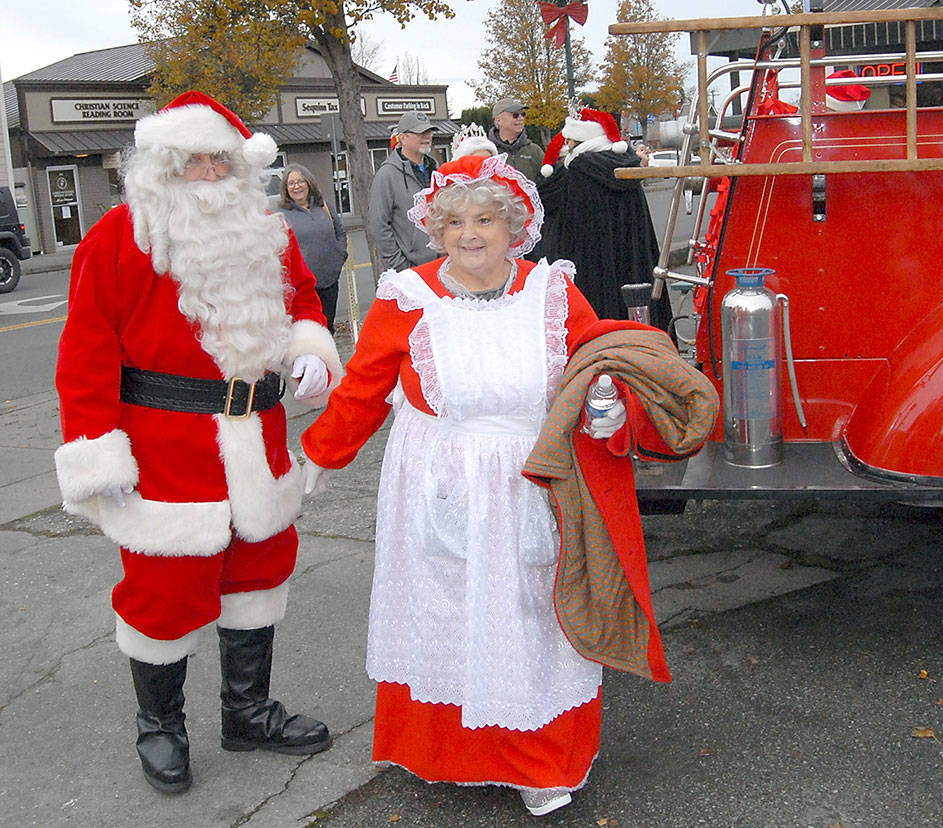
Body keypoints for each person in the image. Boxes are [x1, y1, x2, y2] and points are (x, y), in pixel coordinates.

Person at [298, 154, 715, 817]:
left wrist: (611, 404)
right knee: (447, 615)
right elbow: (363, 390)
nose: (470, 234)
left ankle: (541, 762)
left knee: (532, 620)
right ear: (435, 228)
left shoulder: (552, 291)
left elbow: (598, 363)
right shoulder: (408, 296)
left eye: (486, 219)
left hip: (533, 482)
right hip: (438, 482)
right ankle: (445, 752)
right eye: (456, 220)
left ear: (514, 225)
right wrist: (320, 455)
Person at [53, 90, 344, 794]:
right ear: (161, 167)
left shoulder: (266, 232)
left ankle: (247, 714)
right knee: (164, 592)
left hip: (261, 441)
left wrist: (309, 345)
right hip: (165, 449)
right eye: (193, 162)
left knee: (259, 577)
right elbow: (86, 355)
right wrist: (98, 454)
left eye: (221, 160)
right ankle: (161, 728)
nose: (211, 175)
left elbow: (304, 298)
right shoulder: (120, 237)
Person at [537, 107, 668, 332]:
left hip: (591, 269)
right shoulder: (625, 166)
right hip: (632, 264)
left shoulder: (576, 172)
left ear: (576, 141)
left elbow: (545, 199)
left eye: (569, 141)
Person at [276, 163, 347, 333]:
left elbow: (340, 233)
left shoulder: (325, 207)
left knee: (328, 328)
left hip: (329, 283)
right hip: (303, 290)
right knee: (309, 331)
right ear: (286, 188)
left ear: (309, 183)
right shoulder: (281, 216)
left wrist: (339, 257)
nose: (297, 186)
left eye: (300, 181)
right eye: (291, 183)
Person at [369, 109, 439, 274]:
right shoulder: (386, 175)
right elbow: (379, 226)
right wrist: (401, 267)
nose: (426, 137)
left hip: (443, 264)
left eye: (429, 132)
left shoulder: (437, 170)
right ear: (403, 138)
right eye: (420, 132)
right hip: (411, 271)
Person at [488, 97, 544, 181]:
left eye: (523, 114)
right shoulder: (488, 152)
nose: (521, 118)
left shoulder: (534, 151)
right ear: (498, 120)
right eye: (515, 115)